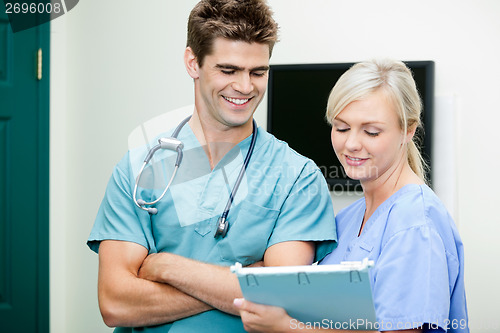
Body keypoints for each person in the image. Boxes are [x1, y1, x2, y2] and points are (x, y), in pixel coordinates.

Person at [87, 1, 337, 332]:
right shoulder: (138, 168)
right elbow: (116, 303)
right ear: (193, 62)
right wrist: (248, 279)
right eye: (228, 70)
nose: (245, 87)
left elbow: (280, 301)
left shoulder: (297, 177)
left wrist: (166, 267)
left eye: (258, 72)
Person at [235, 58, 469, 333]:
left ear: (408, 130)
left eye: (371, 131)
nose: (352, 144)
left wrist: (286, 327)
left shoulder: (415, 222)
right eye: (341, 127)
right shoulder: (349, 219)